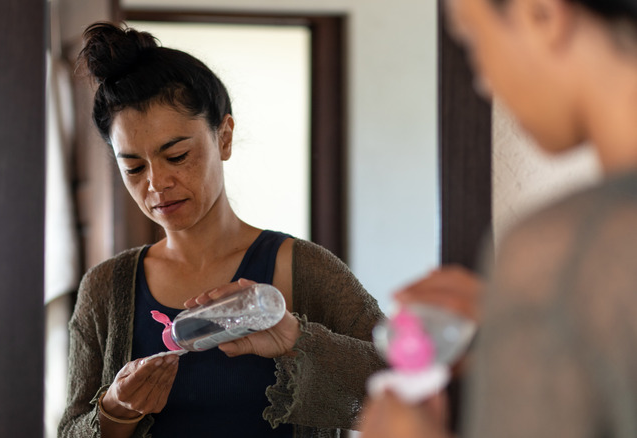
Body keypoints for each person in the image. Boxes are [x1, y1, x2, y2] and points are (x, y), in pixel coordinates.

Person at [58, 22, 386, 438]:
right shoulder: (106, 289)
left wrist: (296, 338)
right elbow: (70, 430)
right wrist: (115, 410)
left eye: (176, 155)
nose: (156, 184)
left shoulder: (301, 268)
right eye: (134, 168)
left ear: (224, 137)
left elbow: (405, 383)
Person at [359, 0, 637, 437]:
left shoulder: (565, 244)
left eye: (472, 39)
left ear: (542, 14)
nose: (484, 82)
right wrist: (533, 322)